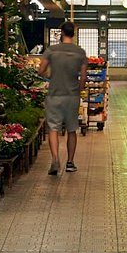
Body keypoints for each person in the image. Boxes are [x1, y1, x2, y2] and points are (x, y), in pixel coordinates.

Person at [37, 21, 88, 175]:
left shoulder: (51, 50)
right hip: (72, 96)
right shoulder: (80, 52)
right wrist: (78, 91)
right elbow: (84, 77)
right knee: (72, 129)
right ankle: (70, 163)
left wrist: (48, 75)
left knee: (53, 128)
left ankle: (55, 160)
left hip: (54, 95)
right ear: (73, 33)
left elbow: (41, 70)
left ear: (61, 33)